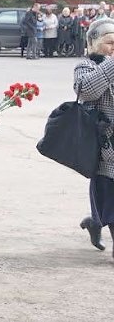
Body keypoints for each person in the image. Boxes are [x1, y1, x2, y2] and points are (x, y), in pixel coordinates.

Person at [74, 18, 114, 258]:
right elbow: (87, 90)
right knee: (107, 193)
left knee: (106, 200)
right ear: (95, 44)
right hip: (104, 147)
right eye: (110, 43)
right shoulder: (86, 66)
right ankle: (96, 221)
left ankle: (95, 221)